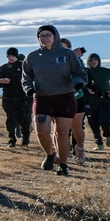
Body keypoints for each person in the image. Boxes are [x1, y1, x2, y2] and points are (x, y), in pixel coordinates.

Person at [22, 25, 88, 177]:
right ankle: (50, 154)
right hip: (42, 97)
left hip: (65, 97)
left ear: (55, 36)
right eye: (41, 36)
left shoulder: (67, 54)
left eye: (48, 35)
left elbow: (80, 73)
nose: (44, 38)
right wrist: (29, 89)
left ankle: (63, 164)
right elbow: (26, 77)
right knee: (41, 129)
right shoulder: (32, 56)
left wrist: (78, 82)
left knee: (61, 133)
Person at [84, 53, 110, 149]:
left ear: (99, 61)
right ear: (88, 61)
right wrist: (87, 90)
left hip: (105, 101)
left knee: (103, 120)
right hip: (91, 102)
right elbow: (81, 85)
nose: (93, 61)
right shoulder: (85, 72)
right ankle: (99, 143)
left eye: (95, 59)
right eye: (91, 60)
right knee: (93, 123)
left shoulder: (107, 71)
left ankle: (108, 137)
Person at [0, 48, 31, 147]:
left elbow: (24, 81)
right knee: (10, 118)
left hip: (22, 97)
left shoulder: (23, 66)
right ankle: (12, 138)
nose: (11, 58)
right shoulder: (3, 68)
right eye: (9, 56)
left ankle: (25, 138)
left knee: (23, 118)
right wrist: (1, 82)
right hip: (8, 97)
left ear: (16, 55)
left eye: (12, 56)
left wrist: (11, 81)